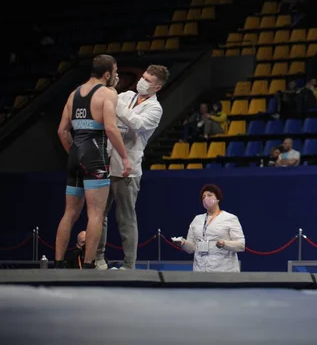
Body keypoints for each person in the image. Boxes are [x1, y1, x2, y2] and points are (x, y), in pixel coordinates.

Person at [54, 54, 132, 269]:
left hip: (75, 154)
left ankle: (58, 263)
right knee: (96, 214)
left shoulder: (73, 94)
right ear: (107, 74)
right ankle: (88, 265)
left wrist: (75, 154)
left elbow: (62, 131)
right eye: (115, 72)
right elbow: (110, 128)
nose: (116, 76)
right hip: (95, 156)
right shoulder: (108, 93)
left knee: (69, 214)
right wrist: (125, 157)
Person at [96, 65, 169, 270]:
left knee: (125, 218)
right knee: (98, 214)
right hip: (106, 161)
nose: (142, 81)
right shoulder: (126, 95)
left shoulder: (155, 109)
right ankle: (98, 259)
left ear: (157, 88)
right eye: (143, 77)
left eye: (148, 80)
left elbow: (136, 123)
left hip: (128, 168)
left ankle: (129, 265)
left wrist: (115, 106)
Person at [174, 184, 245, 272]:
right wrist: (183, 243)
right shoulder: (197, 219)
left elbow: (241, 245)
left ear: (217, 198)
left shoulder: (230, 218)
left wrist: (224, 244)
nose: (206, 198)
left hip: (224, 270)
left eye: (209, 195)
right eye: (203, 197)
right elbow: (192, 249)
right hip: (200, 270)